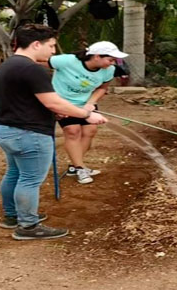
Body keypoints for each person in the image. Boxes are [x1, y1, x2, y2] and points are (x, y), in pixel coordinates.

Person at [0, 24, 108, 240]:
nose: (53, 51)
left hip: (6, 129)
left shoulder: (8, 65)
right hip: (29, 134)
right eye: (51, 46)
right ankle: (28, 226)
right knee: (29, 179)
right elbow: (54, 102)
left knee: (15, 173)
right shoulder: (32, 68)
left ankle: (12, 216)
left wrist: (54, 113)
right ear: (36, 44)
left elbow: (24, 101)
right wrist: (85, 115)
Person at [50, 41, 128, 184]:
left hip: (87, 104)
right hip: (64, 104)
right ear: (96, 56)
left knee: (90, 131)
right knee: (72, 131)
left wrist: (90, 103)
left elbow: (102, 88)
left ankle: (74, 166)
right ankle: (80, 168)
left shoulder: (109, 70)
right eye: (110, 59)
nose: (112, 63)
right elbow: (38, 63)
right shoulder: (67, 61)